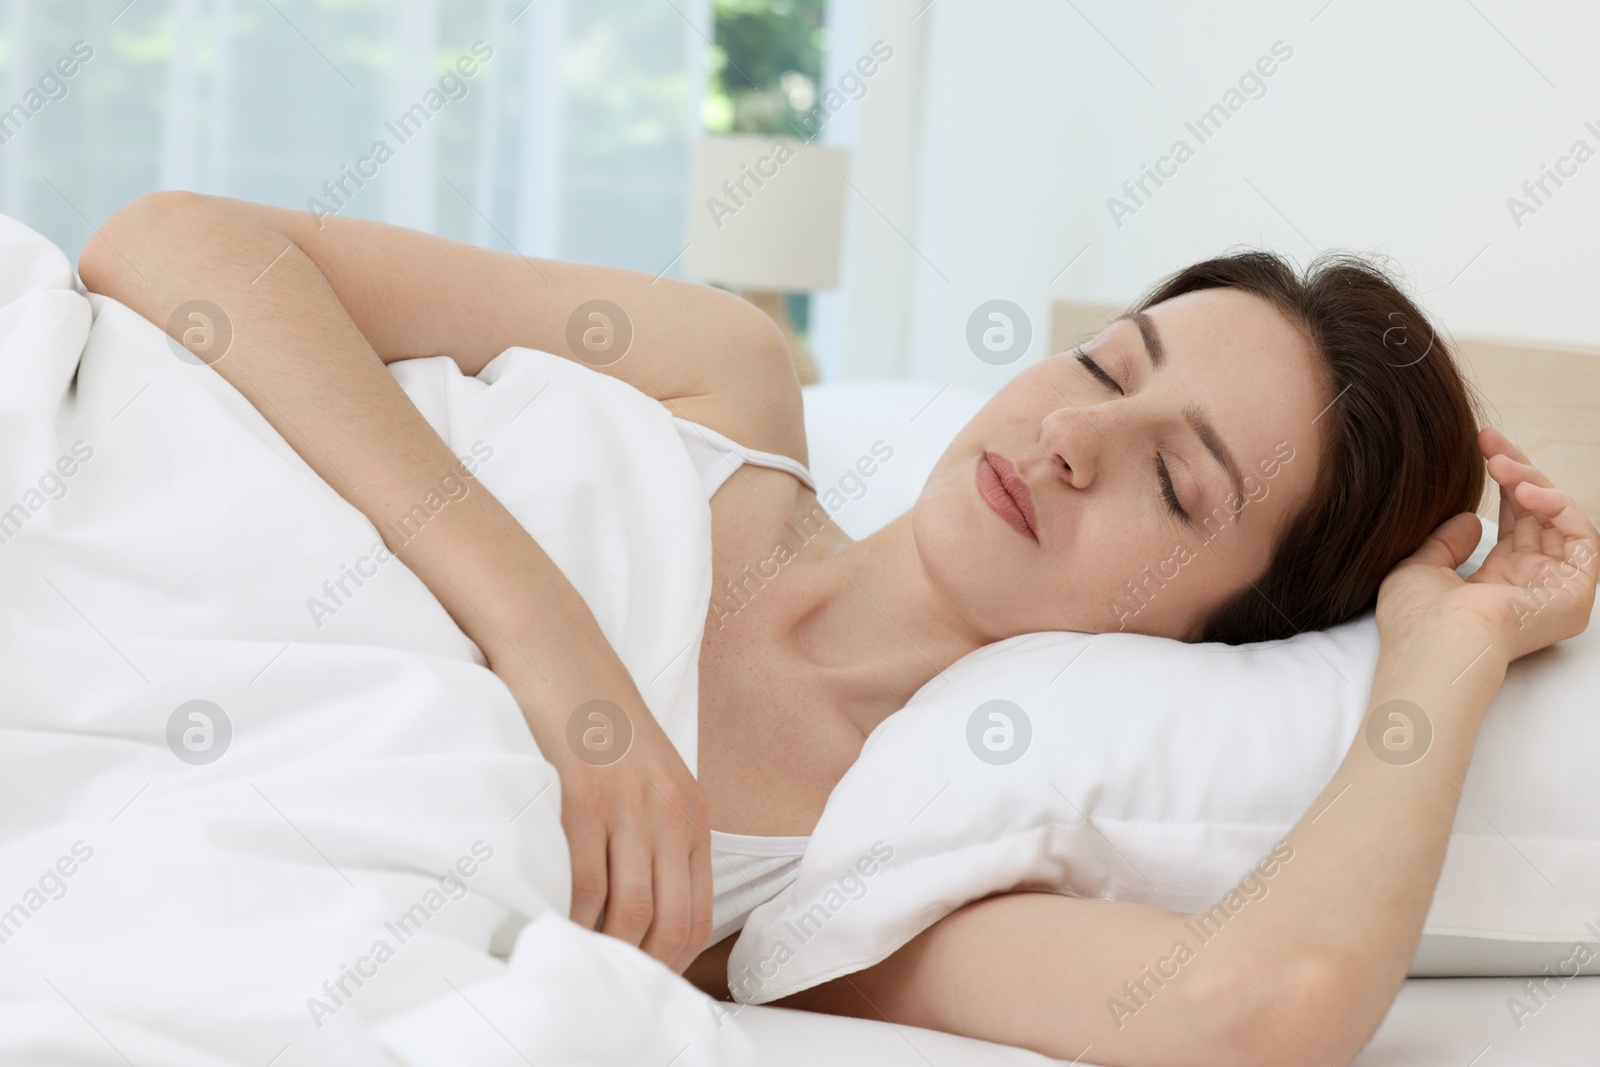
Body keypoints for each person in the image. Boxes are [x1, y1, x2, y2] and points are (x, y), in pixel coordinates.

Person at [80, 191, 1597, 1066]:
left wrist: (1446, 652)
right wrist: (555, 647)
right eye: (1101, 363)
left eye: (1175, 482)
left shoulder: (872, 883)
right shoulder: (721, 380)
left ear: (1211, 640)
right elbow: (175, 247)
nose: (1075, 431)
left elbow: (1266, 1003)